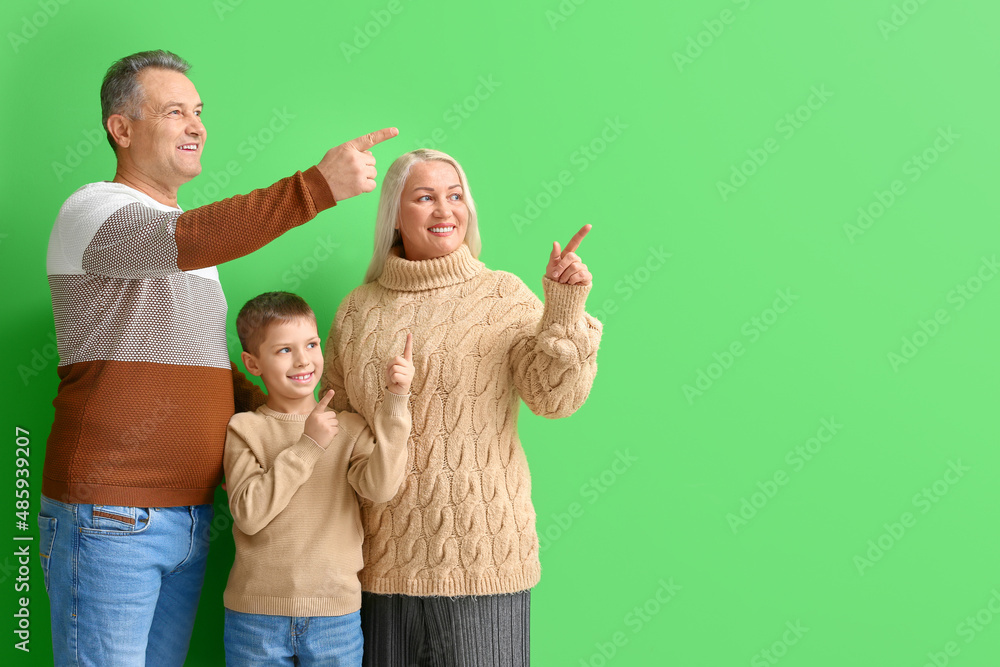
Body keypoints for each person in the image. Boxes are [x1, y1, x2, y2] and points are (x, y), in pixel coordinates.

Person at [39, 49, 397, 666]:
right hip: (111, 514)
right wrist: (316, 188)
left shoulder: (187, 250)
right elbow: (191, 236)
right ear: (120, 129)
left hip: (186, 516)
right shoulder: (95, 211)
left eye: (199, 112)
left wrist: (298, 403)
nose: (197, 126)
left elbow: (201, 374)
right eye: (174, 111)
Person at [321, 148, 603, 665]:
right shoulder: (357, 311)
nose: (444, 210)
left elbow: (554, 399)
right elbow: (333, 429)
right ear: (395, 217)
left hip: (484, 560)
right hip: (379, 566)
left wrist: (564, 309)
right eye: (425, 197)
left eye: (455, 196)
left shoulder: (501, 296)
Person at [222, 292, 414, 666]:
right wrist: (308, 446)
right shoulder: (244, 428)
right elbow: (248, 513)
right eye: (284, 350)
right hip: (255, 617)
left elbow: (381, 487)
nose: (303, 359)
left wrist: (396, 401)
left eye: (311, 344)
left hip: (335, 616)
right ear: (252, 363)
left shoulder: (350, 427)